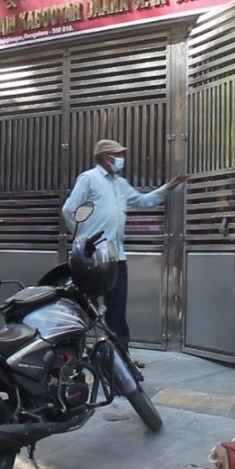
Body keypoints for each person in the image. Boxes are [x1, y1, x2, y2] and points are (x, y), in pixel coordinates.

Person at [62, 139, 186, 346]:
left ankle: (120, 360)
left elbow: (142, 201)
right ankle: (77, 356)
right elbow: (69, 209)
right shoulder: (89, 179)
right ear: (105, 157)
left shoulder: (119, 183)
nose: (121, 159)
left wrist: (167, 188)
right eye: (117, 155)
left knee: (117, 313)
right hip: (91, 257)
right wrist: (81, 239)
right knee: (85, 309)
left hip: (116, 257)